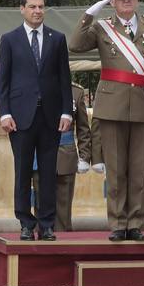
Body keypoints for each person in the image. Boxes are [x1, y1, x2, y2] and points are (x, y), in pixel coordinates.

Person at [70, 0, 144, 242]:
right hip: (112, 105)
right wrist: (90, 13)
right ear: (112, 1)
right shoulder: (102, 27)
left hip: (143, 104)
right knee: (115, 170)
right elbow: (75, 45)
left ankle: (135, 223)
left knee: (138, 169)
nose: (127, 2)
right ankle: (117, 223)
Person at [0, 0, 73, 240]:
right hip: (20, 117)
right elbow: (3, 80)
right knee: (23, 171)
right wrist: (4, 112)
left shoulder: (57, 38)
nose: (37, 11)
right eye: (32, 7)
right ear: (22, 9)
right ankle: (26, 223)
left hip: (50, 116)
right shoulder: (10, 39)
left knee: (49, 172)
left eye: (41, 7)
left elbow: (64, 78)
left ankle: (47, 223)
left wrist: (67, 111)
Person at [37, 81, 93, 232]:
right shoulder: (35, 85)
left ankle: (63, 245)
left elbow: (83, 129)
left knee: (63, 209)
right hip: (39, 153)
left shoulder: (75, 91)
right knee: (40, 206)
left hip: (65, 154)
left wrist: (84, 156)